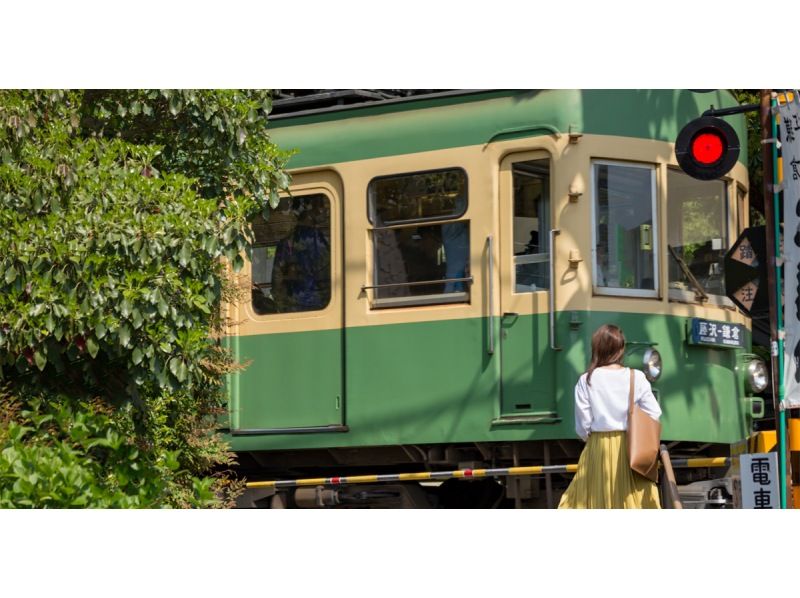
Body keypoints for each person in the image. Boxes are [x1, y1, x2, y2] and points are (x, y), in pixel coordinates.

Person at [558, 324, 662, 509]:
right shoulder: (636, 377)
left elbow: (583, 424)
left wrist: (590, 439)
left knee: (591, 498)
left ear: (596, 349)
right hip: (632, 446)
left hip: (599, 447)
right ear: (621, 349)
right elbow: (654, 413)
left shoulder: (586, 379)